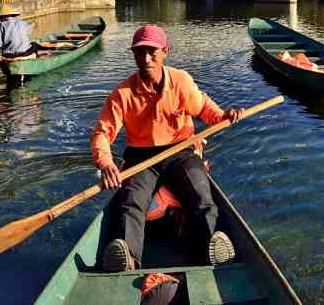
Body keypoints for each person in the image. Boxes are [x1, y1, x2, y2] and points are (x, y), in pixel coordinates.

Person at [91, 25, 243, 272]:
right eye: (140, 53)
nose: (146, 59)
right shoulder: (122, 93)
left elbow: (203, 106)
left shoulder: (180, 81)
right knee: (130, 203)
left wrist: (223, 115)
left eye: (152, 52)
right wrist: (106, 162)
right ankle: (128, 259)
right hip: (141, 157)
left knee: (201, 195)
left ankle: (211, 246)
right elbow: (102, 133)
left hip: (180, 151)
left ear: (165, 52)